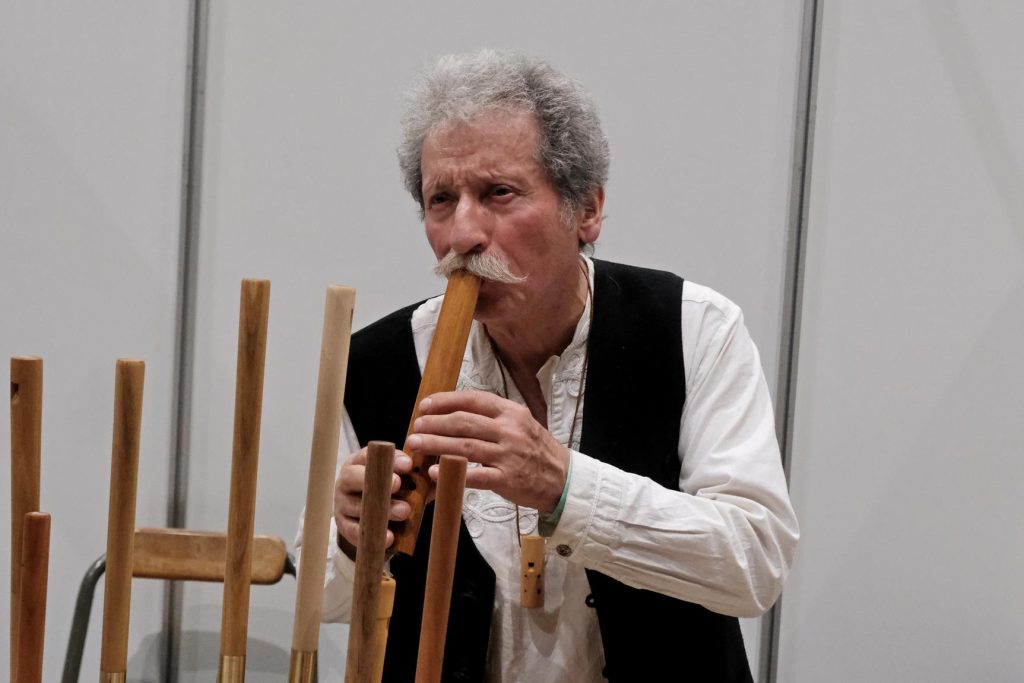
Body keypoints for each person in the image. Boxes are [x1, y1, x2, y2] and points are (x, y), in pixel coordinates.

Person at [296, 49, 798, 683]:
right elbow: (322, 599)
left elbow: (755, 564)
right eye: (441, 199)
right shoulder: (377, 361)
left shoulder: (693, 327)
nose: (462, 236)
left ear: (586, 209)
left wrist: (564, 486)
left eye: (499, 193)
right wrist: (352, 539)